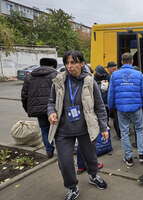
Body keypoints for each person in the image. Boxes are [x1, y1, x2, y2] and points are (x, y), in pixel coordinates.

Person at [47, 50, 108, 200]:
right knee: (65, 162)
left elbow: (100, 106)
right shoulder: (59, 80)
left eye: (73, 62)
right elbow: (51, 102)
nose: (69, 66)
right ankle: (72, 187)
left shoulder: (89, 81)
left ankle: (93, 175)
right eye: (67, 62)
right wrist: (51, 113)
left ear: (81, 64)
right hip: (63, 130)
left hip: (85, 128)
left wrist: (103, 127)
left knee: (91, 157)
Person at [108, 53, 143, 167]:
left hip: (121, 108)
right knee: (139, 129)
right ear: (131, 61)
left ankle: (129, 158)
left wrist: (111, 107)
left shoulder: (114, 75)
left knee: (124, 132)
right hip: (136, 107)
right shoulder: (139, 74)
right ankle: (141, 155)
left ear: (121, 61)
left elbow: (111, 94)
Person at [21, 58, 58, 158]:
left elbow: (24, 95)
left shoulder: (30, 76)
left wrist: (27, 109)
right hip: (55, 109)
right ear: (53, 66)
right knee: (57, 129)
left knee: (45, 130)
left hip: (38, 110)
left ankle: (49, 151)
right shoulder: (55, 75)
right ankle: (62, 151)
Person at [76, 65, 110, 174]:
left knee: (82, 143)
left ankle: (81, 165)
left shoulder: (74, 84)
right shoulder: (89, 83)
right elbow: (98, 105)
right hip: (88, 118)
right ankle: (93, 167)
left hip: (77, 118)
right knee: (90, 143)